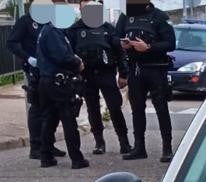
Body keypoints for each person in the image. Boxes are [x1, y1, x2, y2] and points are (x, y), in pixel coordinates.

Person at [116, 0, 174, 162]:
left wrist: (148, 47)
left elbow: (170, 43)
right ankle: (139, 147)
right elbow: (116, 38)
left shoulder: (160, 16)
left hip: (156, 68)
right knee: (137, 108)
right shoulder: (126, 16)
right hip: (136, 68)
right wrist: (124, 44)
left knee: (161, 107)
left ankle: (167, 148)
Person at [70, 0, 129, 154]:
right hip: (86, 75)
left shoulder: (108, 28)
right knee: (92, 109)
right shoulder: (75, 29)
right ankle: (99, 142)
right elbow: (69, 52)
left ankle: (124, 141)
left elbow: (119, 52)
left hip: (106, 73)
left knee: (115, 107)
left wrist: (123, 74)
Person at [36, 1, 89, 169]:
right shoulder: (53, 32)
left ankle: (46, 156)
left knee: (49, 119)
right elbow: (62, 57)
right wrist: (77, 63)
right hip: (57, 81)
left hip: (47, 81)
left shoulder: (50, 30)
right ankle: (76, 158)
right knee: (67, 119)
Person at [8, 2, 63, 160]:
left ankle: (48, 144)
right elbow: (11, 43)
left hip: (52, 69)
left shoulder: (51, 21)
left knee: (53, 107)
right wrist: (28, 58)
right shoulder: (26, 21)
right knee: (38, 107)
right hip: (35, 69)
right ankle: (36, 146)